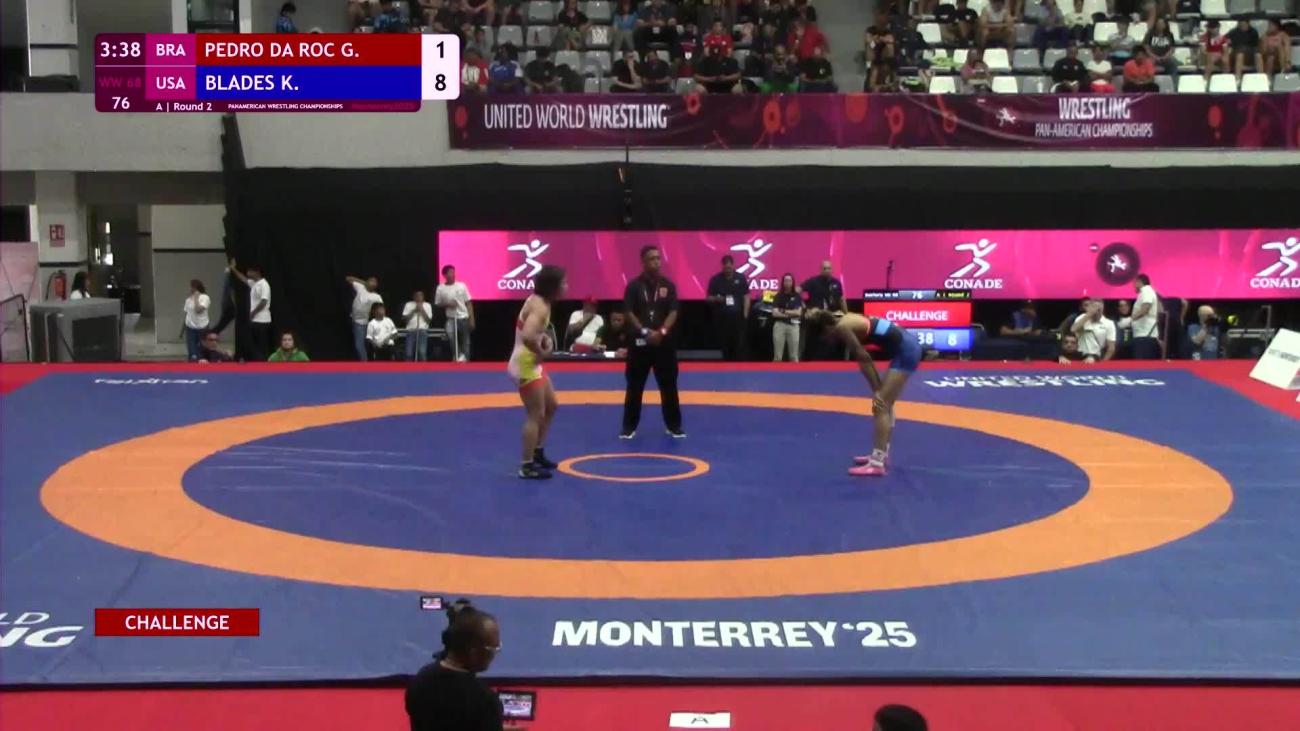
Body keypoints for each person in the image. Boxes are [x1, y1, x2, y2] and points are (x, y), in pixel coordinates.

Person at [806, 310, 923, 477]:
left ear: (825, 329)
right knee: (884, 403)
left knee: (880, 405)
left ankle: (877, 464)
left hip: (907, 351)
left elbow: (864, 358)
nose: (830, 340)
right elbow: (864, 359)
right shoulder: (843, 317)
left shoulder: (842, 327)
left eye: (826, 337)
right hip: (906, 346)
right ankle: (881, 453)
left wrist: (877, 389)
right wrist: (877, 388)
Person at [508, 265, 566, 479]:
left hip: (530, 362)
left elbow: (532, 331)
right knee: (536, 414)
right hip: (525, 364)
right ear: (553, 286)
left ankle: (537, 451)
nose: (566, 287)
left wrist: (544, 338)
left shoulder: (540, 301)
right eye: (564, 283)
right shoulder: (540, 306)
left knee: (551, 405)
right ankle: (526, 465)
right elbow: (527, 335)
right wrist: (542, 352)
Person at [405, 605, 504, 731]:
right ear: (473, 653)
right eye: (494, 648)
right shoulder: (484, 700)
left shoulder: (420, 680)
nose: (495, 653)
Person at [621, 245, 684, 440]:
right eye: (652, 258)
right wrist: (643, 330)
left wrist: (661, 332)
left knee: (669, 386)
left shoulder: (668, 285)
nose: (656, 262)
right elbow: (628, 312)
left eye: (658, 258)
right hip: (640, 343)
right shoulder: (633, 286)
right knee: (634, 387)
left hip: (663, 344)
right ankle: (629, 427)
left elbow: (673, 311)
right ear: (643, 262)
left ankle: (674, 426)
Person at [707, 255, 750, 361]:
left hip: (738, 318)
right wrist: (717, 299)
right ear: (722, 266)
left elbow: (746, 296)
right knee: (724, 345)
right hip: (722, 318)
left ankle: (738, 366)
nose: (728, 270)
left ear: (733, 265)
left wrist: (745, 314)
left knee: (739, 344)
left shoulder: (740, 278)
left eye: (730, 267)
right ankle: (726, 365)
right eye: (726, 268)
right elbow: (708, 298)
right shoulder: (715, 279)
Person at [228, 259, 272, 362]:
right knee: (253, 345)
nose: (248, 273)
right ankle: (255, 362)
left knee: (261, 345)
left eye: (250, 271)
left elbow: (264, 301)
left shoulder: (264, 284)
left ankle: (263, 363)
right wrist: (233, 269)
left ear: (257, 272)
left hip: (262, 320)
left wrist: (253, 313)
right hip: (255, 320)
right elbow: (243, 279)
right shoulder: (255, 283)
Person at [435, 265, 474, 362]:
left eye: (453, 272)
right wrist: (447, 304)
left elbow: (468, 302)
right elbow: (438, 303)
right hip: (451, 318)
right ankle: (458, 355)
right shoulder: (440, 288)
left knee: (466, 342)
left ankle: (465, 361)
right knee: (450, 336)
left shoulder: (461, 286)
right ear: (445, 275)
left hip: (463, 317)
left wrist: (471, 319)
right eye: (450, 272)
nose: (453, 274)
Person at [347, 275, 383, 361]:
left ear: (376, 285)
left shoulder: (376, 297)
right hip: (353, 319)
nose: (372, 283)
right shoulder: (361, 287)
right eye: (371, 280)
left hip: (362, 323)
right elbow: (348, 278)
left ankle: (364, 364)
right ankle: (361, 360)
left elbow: (381, 310)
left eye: (374, 282)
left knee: (359, 345)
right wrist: (364, 283)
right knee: (359, 344)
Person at [1125, 273, 1161, 359]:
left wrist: (1130, 320)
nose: (1133, 286)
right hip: (1145, 335)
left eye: (1134, 283)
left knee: (1142, 364)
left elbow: (1145, 308)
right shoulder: (1148, 292)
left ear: (1139, 282)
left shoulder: (1146, 290)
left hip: (1145, 336)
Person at [1071, 298, 1116, 363]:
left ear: (1103, 307)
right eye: (1094, 306)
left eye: (1099, 307)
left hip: (1096, 356)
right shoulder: (1082, 317)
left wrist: (1103, 363)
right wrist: (1089, 314)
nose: (1097, 309)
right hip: (1079, 354)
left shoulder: (1109, 323)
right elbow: (1073, 329)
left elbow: (1111, 348)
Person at [771, 273, 803, 362]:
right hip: (780, 325)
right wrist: (790, 314)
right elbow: (775, 313)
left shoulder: (797, 296)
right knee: (777, 356)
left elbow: (798, 312)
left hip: (793, 326)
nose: (787, 282)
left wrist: (783, 311)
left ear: (792, 282)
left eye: (789, 280)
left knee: (794, 356)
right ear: (783, 282)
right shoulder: (778, 296)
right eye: (786, 280)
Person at [183, 279, 211, 362]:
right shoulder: (188, 299)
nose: (190, 289)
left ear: (195, 288)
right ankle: (192, 361)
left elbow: (198, 310)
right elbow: (187, 313)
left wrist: (196, 298)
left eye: (191, 287)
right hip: (190, 327)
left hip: (202, 327)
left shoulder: (205, 298)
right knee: (192, 350)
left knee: (202, 349)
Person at [1226, 17, 1262, 83]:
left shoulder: (1253, 32)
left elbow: (1255, 46)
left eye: (1244, 24)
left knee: (1258, 55)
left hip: (1250, 54)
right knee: (1240, 54)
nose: (1242, 25)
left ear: (1248, 23)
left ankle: (1260, 78)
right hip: (1237, 53)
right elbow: (1225, 40)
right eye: (1241, 23)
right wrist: (1228, 41)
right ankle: (1238, 79)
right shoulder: (1233, 32)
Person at [404, 290, 434, 361]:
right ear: (413, 297)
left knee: (422, 352)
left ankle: (423, 368)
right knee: (408, 353)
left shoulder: (427, 305)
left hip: (422, 330)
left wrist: (422, 310)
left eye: (420, 295)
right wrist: (414, 310)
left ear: (423, 297)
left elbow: (429, 320)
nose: (418, 297)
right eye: (417, 295)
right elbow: (405, 319)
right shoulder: (408, 304)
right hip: (411, 330)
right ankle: (408, 367)